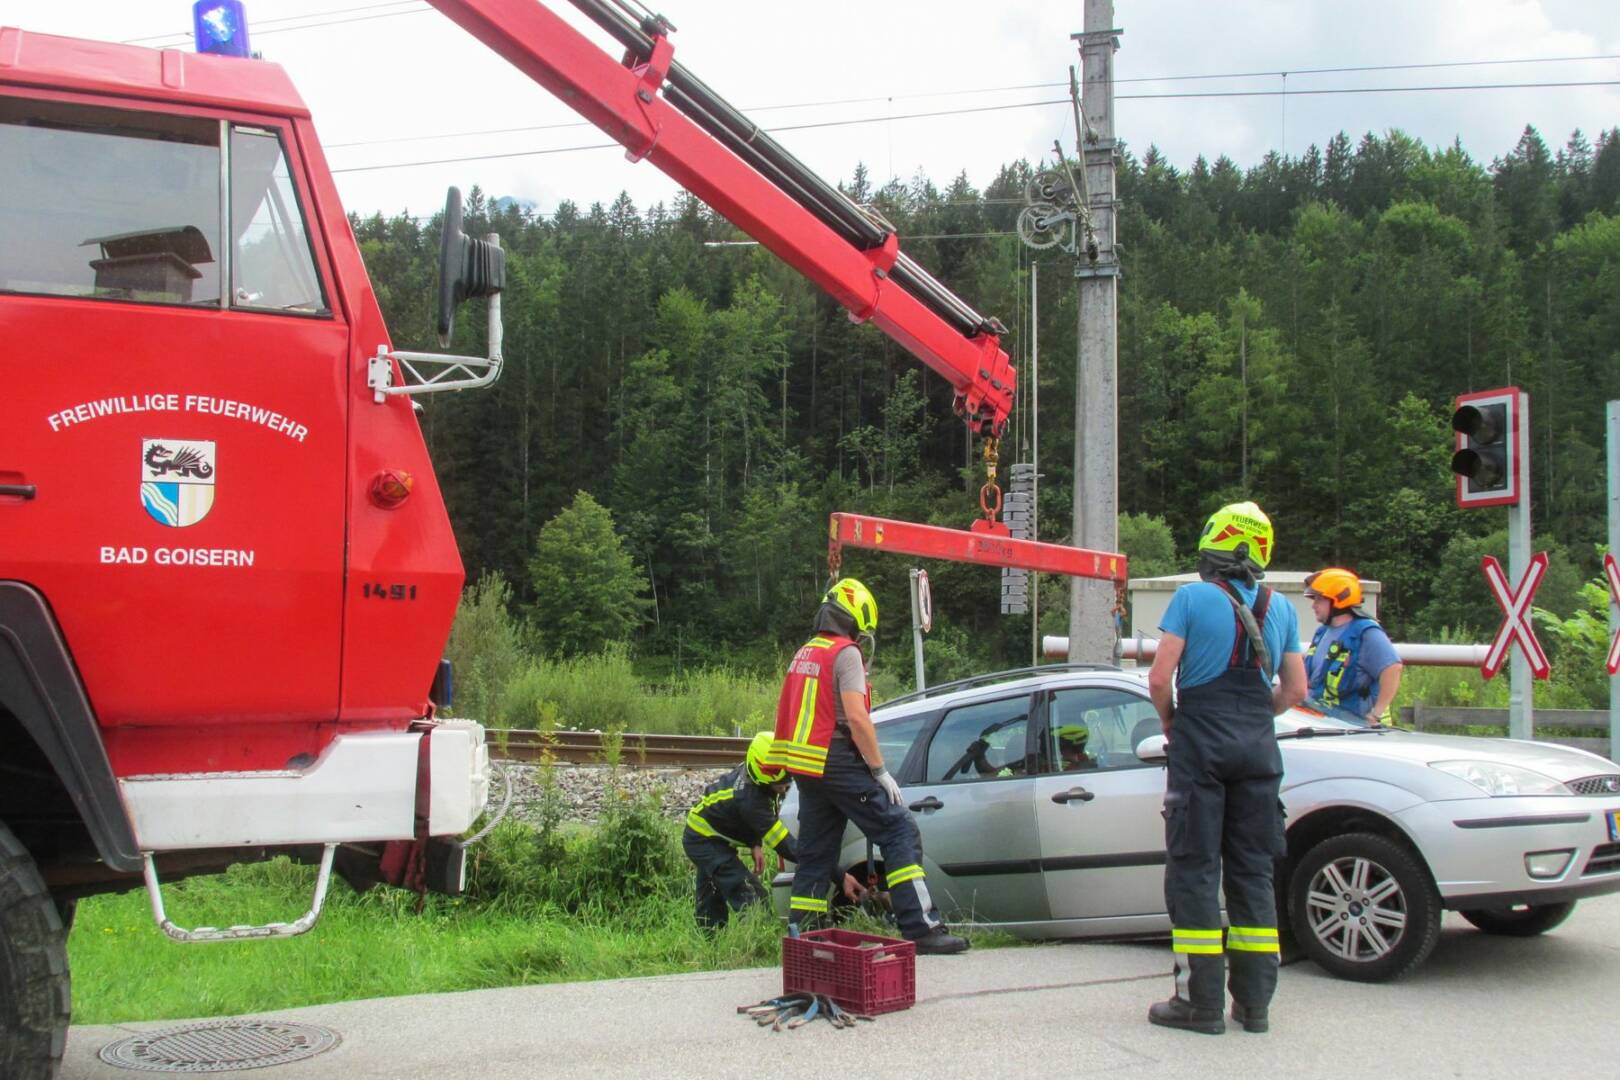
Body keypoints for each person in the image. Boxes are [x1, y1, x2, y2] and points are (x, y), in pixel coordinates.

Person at [1145, 501, 1307, 1036]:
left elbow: (1159, 678)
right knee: (1252, 874)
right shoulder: (1282, 608)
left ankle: (1199, 1005)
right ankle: (1254, 1006)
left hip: (1201, 747)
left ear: (1212, 547)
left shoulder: (1191, 599)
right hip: (1259, 749)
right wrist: (1256, 716)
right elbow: (1296, 690)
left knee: (1194, 872)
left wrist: (1171, 721)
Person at [768, 577, 969, 955]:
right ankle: (921, 928)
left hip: (807, 770)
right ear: (853, 618)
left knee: (815, 855)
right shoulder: (845, 654)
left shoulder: (805, 652)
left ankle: (805, 938)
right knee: (898, 828)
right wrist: (879, 771)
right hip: (838, 761)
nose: (861, 637)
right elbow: (857, 718)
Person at [683, 731, 861, 930]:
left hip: (709, 835)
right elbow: (789, 847)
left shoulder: (756, 777)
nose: (786, 786)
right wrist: (840, 876)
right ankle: (756, 939)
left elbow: (738, 816)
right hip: (703, 841)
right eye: (781, 783)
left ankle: (709, 939)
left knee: (710, 898)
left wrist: (755, 843)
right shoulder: (751, 801)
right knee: (752, 896)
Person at [1302, 567, 1403, 726]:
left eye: (1319, 599)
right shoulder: (1322, 633)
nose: (1313, 605)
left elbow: (1393, 669)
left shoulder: (1366, 632)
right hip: (1326, 724)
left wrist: (1376, 714)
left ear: (1339, 600)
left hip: (1356, 729)